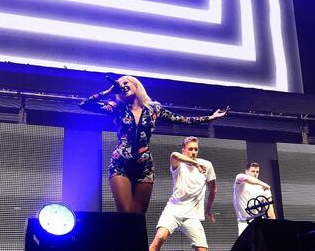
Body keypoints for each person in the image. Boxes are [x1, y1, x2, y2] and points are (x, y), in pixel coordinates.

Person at [79, 75, 228, 213]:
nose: (122, 85)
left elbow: (182, 119)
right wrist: (110, 91)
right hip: (120, 163)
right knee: (125, 214)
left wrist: (211, 118)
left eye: (126, 82)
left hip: (144, 165)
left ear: (136, 86)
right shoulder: (116, 107)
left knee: (137, 217)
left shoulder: (153, 109)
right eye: (120, 84)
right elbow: (84, 104)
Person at [148, 136, 218, 251]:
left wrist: (208, 210)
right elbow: (174, 155)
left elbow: (213, 189)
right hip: (173, 211)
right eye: (190, 149)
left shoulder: (207, 165)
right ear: (184, 151)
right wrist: (196, 164)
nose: (193, 152)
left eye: (195, 149)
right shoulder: (178, 164)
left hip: (192, 216)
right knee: (159, 239)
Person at [233, 162, 276, 235]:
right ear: (246, 171)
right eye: (253, 171)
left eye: (257, 172)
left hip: (258, 221)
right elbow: (246, 178)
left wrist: (274, 225)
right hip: (244, 223)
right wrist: (263, 183)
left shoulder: (263, 188)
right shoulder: (240, 181)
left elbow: (269, 208)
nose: (255, 173)